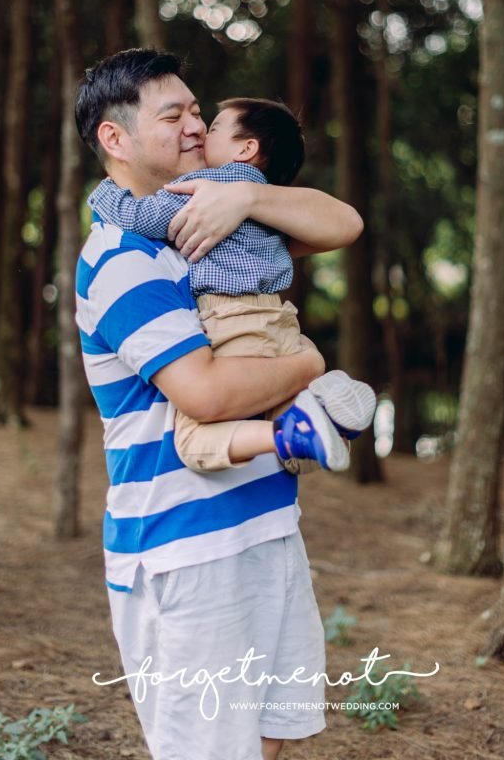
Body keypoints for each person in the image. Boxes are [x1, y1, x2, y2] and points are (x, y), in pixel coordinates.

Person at [74, 48, 365, 760]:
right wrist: (308, 362)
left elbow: (341, 222)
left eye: (198, 111)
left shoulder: (211, 227)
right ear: (116, 139)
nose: (195, 126)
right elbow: (201, 393)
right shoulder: (121, 258)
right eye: (172, 115)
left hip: (264, 523)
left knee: (267, 738)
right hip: (186, 548)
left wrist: (247, 195)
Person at [88, 95, 375, 474]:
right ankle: (321, 412)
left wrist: (105, 191)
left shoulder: (205, 193)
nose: (200, 129)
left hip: (234, 320)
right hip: (280, 323)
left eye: (212, 124)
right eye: (175, 116)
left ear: (246, 148)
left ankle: (294, 429)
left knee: (193, 443)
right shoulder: (271, 215)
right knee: (298, 457)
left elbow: (140, 216)